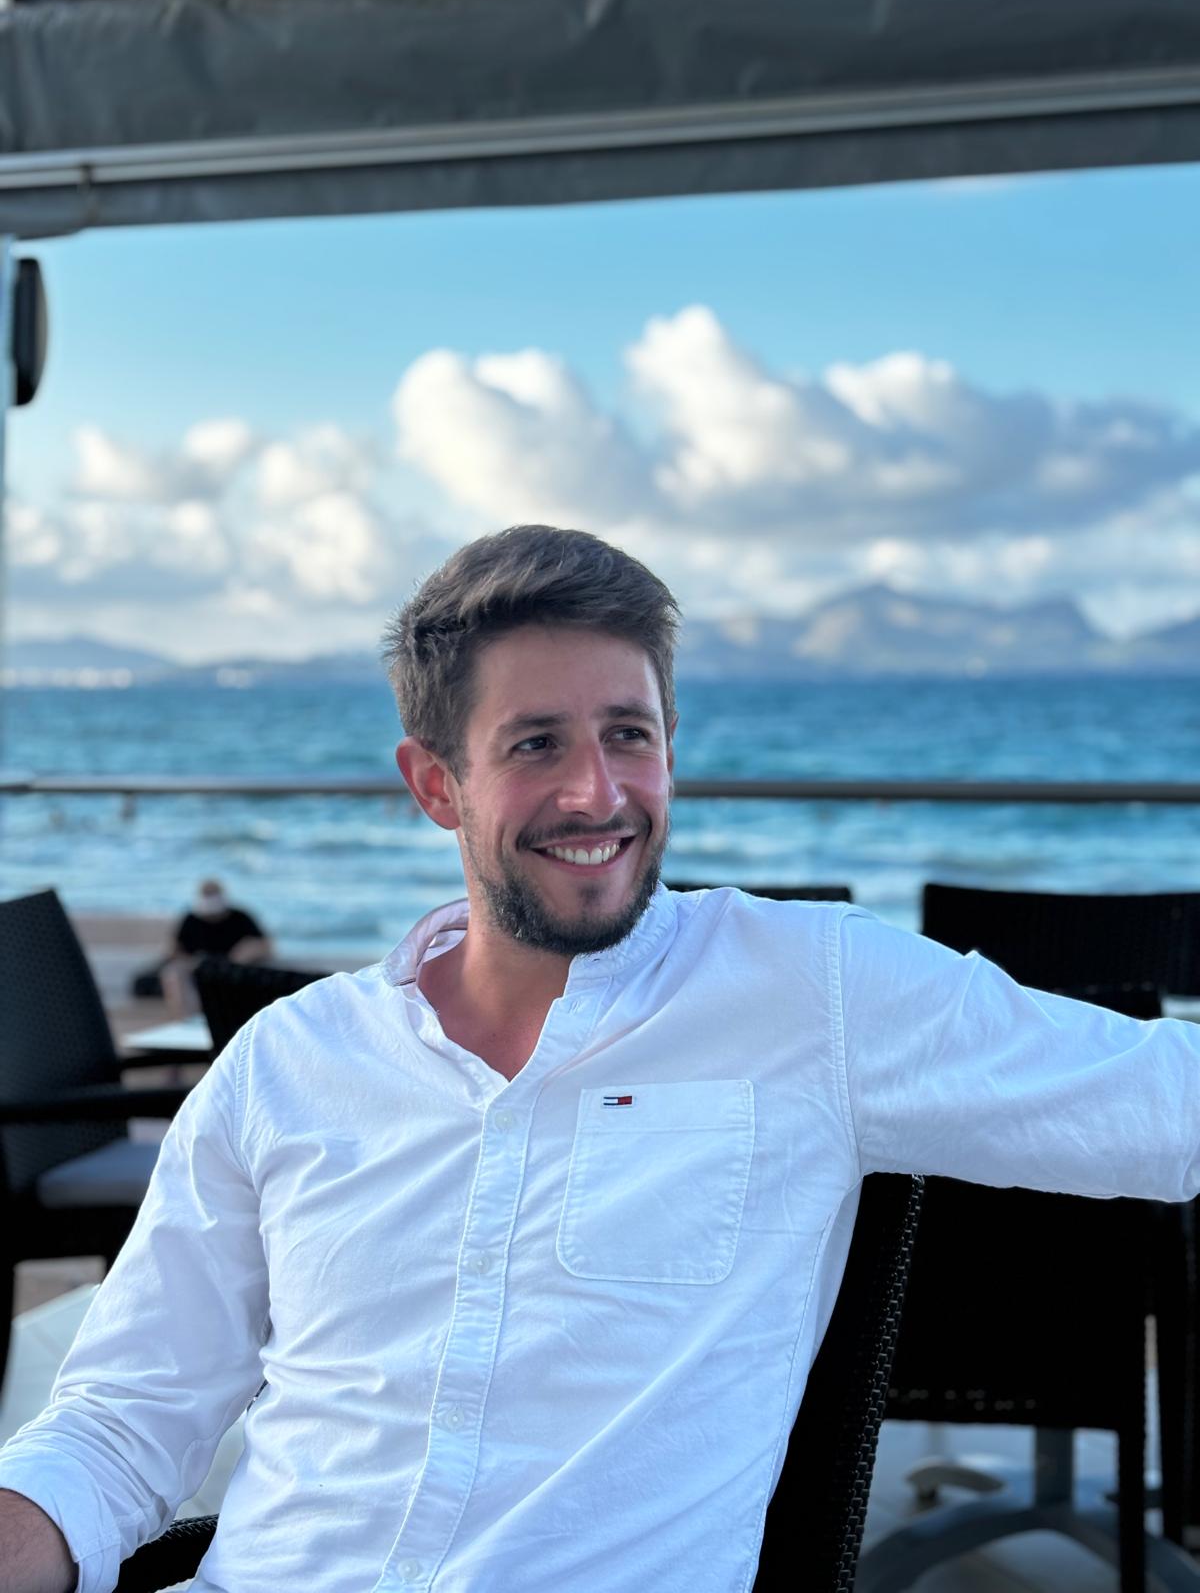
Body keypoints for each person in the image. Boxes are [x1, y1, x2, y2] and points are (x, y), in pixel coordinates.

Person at [2, 524, 1200, 1593]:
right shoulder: (288, 1061)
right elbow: (121, 1419)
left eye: (629, 735)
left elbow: (1167, 1106)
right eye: (535, 744)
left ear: (671, 746)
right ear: (436, 784)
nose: (597, 792)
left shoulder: (811, 994)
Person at [158, 880, 274, 1018]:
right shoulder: (190, 920)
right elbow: (174, 950)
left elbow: (265, 946)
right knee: (173, 973)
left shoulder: (240, 917)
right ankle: (189, 1019)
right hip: (197, 970)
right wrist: (192, 962)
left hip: (233, 969)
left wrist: (244, 953)